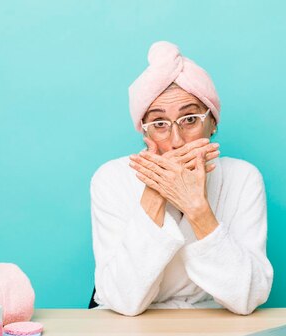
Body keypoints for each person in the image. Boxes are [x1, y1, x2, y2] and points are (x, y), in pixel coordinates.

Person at [90, 41, 273, 316]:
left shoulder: (243, 178)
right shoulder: (111, 178)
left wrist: (198, 210)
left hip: (211, 323)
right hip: (128, 325)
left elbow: (248, 297)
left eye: (190, 119)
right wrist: (155, 193)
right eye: (160, 124)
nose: (176, 141)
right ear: (145, 134)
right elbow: (121, 300)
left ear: (213, 123)